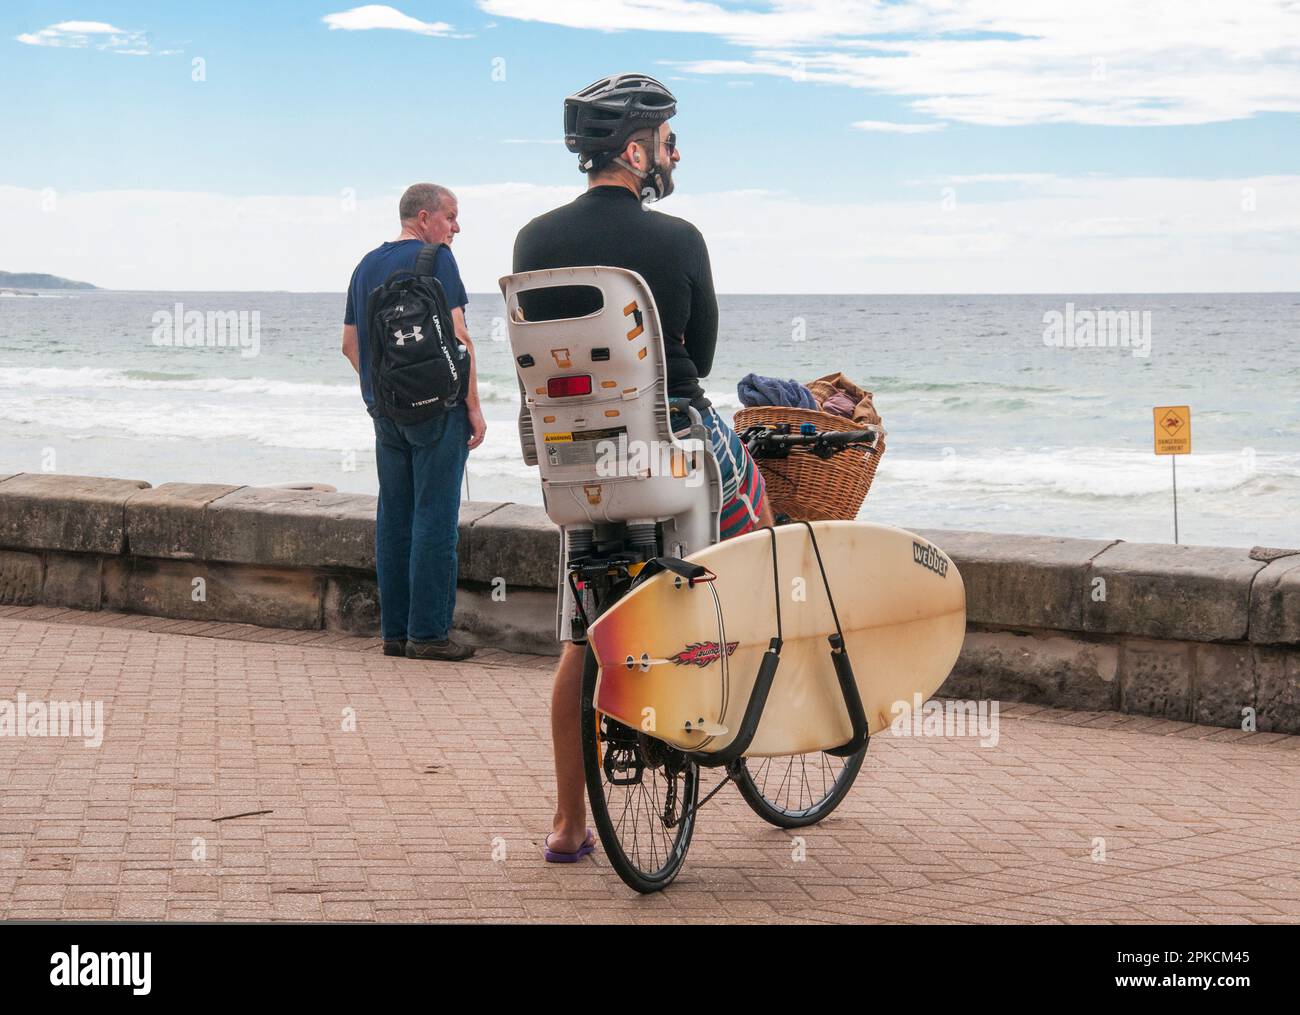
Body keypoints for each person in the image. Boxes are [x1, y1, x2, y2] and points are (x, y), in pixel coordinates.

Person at [512, 73, 775, 861]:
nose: (675, 150)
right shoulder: (680, 239)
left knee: (578, 637)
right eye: (667, 138)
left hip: (579, 466)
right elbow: (703, 349)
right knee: (757, 521)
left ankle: (567, 825)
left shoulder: (532, 241)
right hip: (669, 451)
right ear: (636, 151)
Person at [341, 183, 486, 662]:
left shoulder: (365, 267)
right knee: (435, 519)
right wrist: (473, 407)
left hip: (387, 415)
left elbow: (350, 344)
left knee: (394, 518)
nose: (456, 227)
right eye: (451, 216)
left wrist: (385, 392)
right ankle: (429, 635)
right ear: (424, 218)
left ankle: (395, 634)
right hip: (438, 410)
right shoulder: (437, 259)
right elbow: (460, 340)